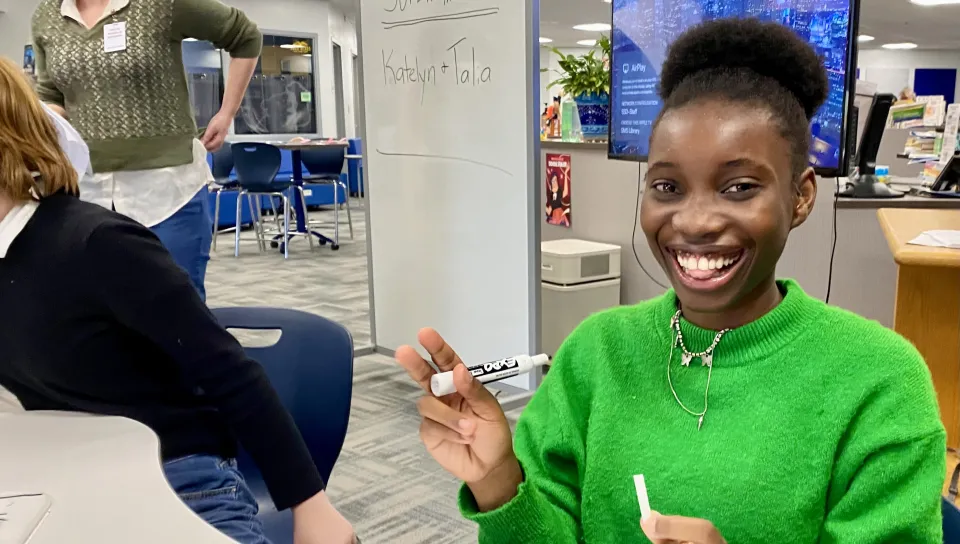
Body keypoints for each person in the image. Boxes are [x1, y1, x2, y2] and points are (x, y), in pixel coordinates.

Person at [396, 19, 946, 543]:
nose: (694, 221)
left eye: (738, 188)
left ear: (800, 196)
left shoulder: (879, 380)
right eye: (666, 187)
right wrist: (496, 478)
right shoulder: (597, 351)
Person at [0, 58, 355, 544]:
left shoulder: (95, 244)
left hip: (180, 475)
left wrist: (310, 506)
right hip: (73, 473)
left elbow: (229, 372)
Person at [31, 0, 263, 300]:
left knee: (177, 310)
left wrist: (227, 112)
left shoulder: (161, 4)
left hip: (168, 191)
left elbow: (245, 35)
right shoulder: (46, 16)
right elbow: (51, 91)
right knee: (102, 311)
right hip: (87, 192)